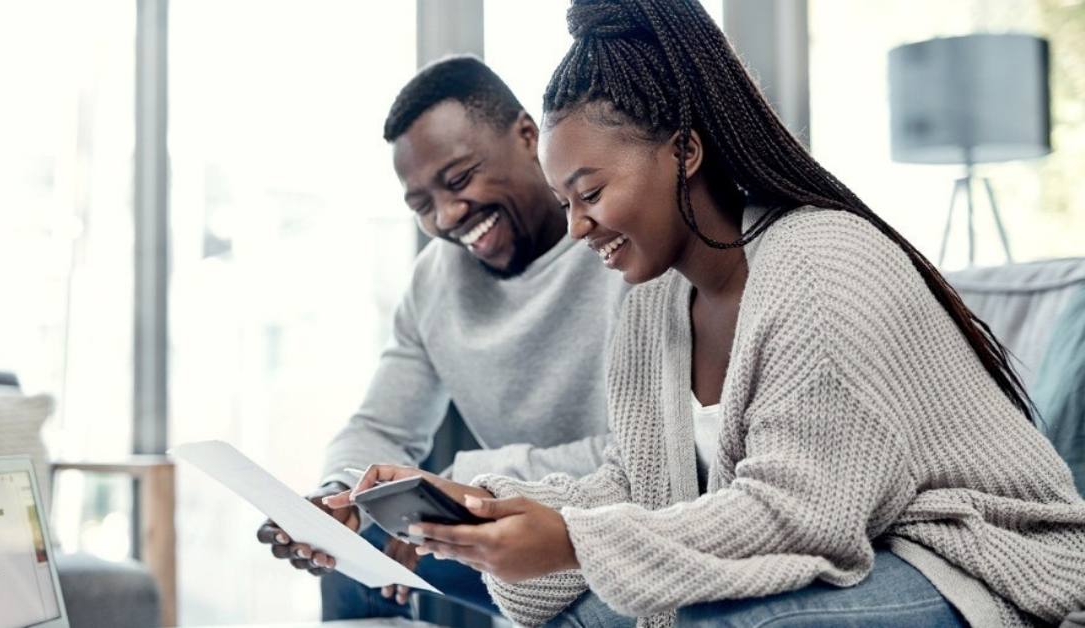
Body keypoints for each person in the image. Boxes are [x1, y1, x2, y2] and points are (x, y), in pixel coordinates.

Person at [326, 1, 1085, 626]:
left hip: (967, 557)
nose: (578, 226)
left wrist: (573, 542)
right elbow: (637, 482)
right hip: (858, 543)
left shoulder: (822, 266)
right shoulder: (652, 302)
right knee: (590, 611)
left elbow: (797, 516)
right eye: (566, 202)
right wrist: (487, 505)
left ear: (684, 151)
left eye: (590, 194)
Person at [255, 55, 629, 620]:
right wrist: (336, 500)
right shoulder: (435, 280)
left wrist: (459, 487)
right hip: (494, 518)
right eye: (421, 205)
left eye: (458, 180)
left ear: (528, 136)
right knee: (352, 559)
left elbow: (647, 457)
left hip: (607, 525)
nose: (449, 215)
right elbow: (380, 426)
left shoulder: (622, 244)